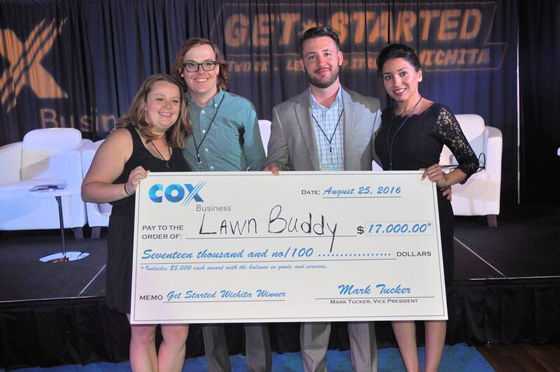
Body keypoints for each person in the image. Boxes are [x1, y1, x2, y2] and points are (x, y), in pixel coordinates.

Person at [264, 26, 380, 372]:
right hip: (309, 227)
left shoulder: (370, 108)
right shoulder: (285, 112)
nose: (321, 61)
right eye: (312, 56)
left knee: (362, 308)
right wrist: (272, 169)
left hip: (357, 226)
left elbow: (391, 161)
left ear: (340, 58)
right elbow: (278, 161)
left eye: (327, 53)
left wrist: (428, 181)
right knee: (314, 309)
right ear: (302, 64)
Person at [374, 43, 478, 372]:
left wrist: (447, 179)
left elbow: (470, 162)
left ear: (418, 74)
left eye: (403, 73)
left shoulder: (438, 113)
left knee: (433, 296)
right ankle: (412, 368)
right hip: (392, 217)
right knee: (398, 295)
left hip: (430, 215)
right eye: (388, 77)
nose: (396, 82)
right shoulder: (385, 116)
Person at [171, 38, 271, 372]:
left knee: (252, 300)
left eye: (207, 64)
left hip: (240, 218)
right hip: (191, 218)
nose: (201, 72)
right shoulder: (172, 109)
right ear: (182, 71)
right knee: (207, 302)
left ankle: (259, 367)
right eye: (191, 65)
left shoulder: (241, 108)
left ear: (219, 68)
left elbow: (258, 164)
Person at [82, 74, 191, 372]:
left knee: (178, 333)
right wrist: (126, 189)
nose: (168, 106)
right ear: (144, 103)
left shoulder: (176, 143)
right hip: (134, 248)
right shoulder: (124, 137)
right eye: (160, 99)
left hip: (175, 252)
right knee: (143, 332)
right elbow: (89, 189)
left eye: (175, 101)